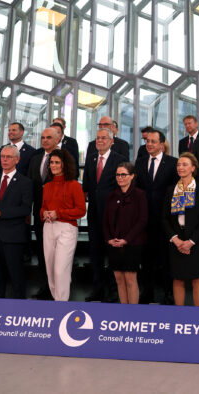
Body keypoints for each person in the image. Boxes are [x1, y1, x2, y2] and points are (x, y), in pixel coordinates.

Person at [0, 145, 33, 299]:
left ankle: (18, 308)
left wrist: (1, 212)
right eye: (2, 156)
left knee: (16, 275)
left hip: (13, 236)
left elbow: (25, 209)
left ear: (17, 160)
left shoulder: (25, 182)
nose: (4, 160)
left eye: (9, 157)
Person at [135, 129, 179, 304]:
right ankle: (148, 291)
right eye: (147, 141)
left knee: (166, 259)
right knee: (146, 259)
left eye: (153, 141)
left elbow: (176, 191)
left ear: (162, 144)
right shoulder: (139, 162)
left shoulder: (173, 163)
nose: (149, 144)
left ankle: (168, 292)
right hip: (144, 220)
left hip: (165, 220)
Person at [82, 128, 125, 302]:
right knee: (95, 254)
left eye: (103, 138)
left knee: (113, 254)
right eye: (97, 138)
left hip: (113, 216)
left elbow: (122, 187)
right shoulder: (91, 158)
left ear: (111, 141)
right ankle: (97, 288)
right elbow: (87, 185)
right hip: (93, 214)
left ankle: (115, 290)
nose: (99, 141)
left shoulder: (119, 160)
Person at [162, 153, 199, 306]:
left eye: (184, 164)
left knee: (197, 278)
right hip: (176, 239)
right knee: (178, 278)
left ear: (193, 168)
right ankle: (179, 314)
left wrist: (191, 241)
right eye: (178, 165)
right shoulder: (171, 190)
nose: (180, 167)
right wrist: (176, 239)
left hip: (195, 240)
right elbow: (164, 218)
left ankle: (198, 314)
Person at [40, 149, 86, 301]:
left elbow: (81, 210)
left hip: (67, 228)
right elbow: (43, 207)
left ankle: (61, 303)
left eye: (57, 162)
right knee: (51, 269)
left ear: (64, 165)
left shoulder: (74, 185)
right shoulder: (47, 186)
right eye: (51, 162)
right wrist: (44, 213)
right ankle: (57, 300)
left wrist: (58, 213)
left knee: (61, 270)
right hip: (48, 227)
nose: (53, 165)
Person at [103, 162, 147, 305]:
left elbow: (142, 221)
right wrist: (109, 239)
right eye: (118, 174)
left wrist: (126, 240)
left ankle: (132, 314)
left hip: (132, 244)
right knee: (119, 279)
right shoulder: (111, 195)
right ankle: (123, 311)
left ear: (132, 176)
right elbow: (105, 220)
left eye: (123, 174)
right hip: (114, 244)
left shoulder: (140, 195)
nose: (120, 177)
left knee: (130, 279)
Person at [27, 127, 61, 300]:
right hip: (39, 212)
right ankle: (45, 286)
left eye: (49, 137)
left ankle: (59, 287)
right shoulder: (36, 158)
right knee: (42, 251)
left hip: (58, 214)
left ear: (57, 139)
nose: (45, 140)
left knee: (58, 253)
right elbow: (30, 185)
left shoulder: (64, 158)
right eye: (43, 137)